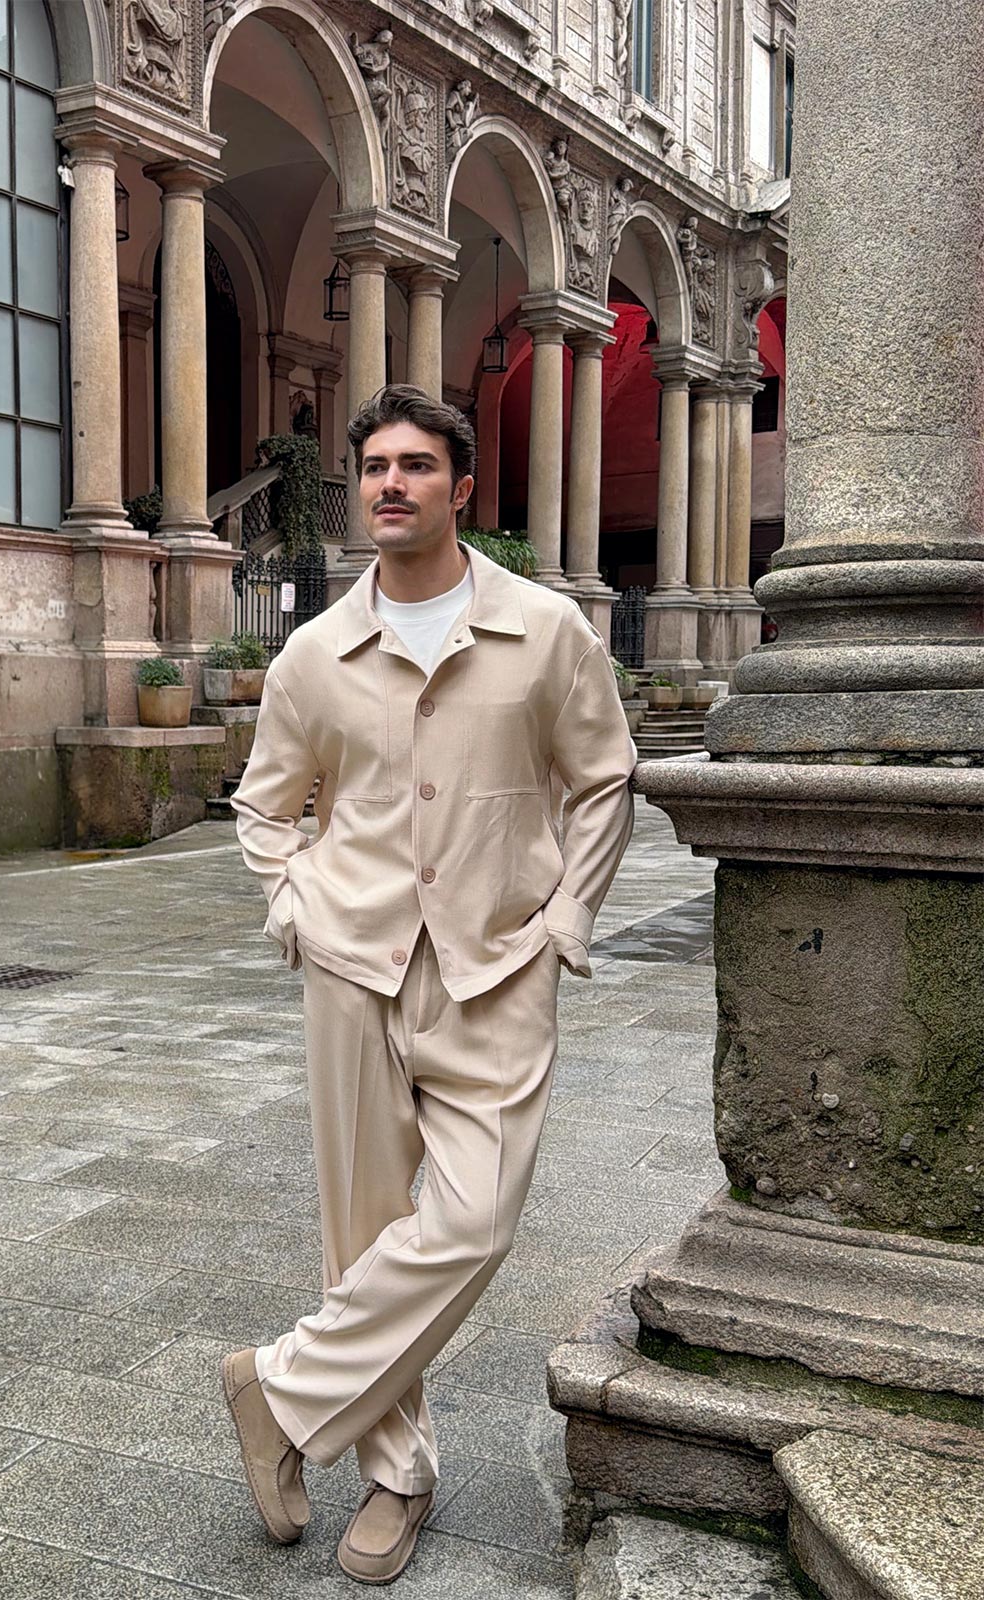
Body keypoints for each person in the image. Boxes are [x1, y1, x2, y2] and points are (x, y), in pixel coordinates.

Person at [224, 384, 635, 1584]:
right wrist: (293, 904)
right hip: (353, 963)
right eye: (374, 468)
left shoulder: (545, 631)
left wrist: (566, 917)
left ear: (462, 489)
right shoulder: (314, 653)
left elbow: (604, 777)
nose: (390, 483)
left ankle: (280, 1390)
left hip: (496, 968)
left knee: (473, 1220)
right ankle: (396, 1474)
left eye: (414, 465)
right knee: (363, 1235)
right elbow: (264, 806)